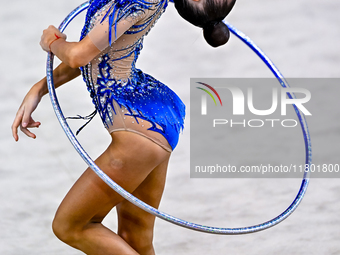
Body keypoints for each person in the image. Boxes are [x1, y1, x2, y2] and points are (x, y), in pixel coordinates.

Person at [11, 0, 236, 254]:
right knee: (135, 238)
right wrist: (39, 89)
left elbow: (79, 55)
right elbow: (99, 53)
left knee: (70, 226)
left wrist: (51, 42)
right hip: (153, 118)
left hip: (138, 131)